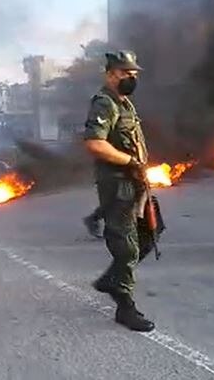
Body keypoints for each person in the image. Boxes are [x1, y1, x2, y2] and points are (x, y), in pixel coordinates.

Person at [83, 50, 155, 332]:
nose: (131, 77)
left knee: (149, 236)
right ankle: (124, 306)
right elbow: (95, 143)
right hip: (118, 184)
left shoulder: (125, 104)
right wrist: (130, 162)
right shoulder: (105, 103)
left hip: (135, 182)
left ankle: (110, 279)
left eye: (134, 73)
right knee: (127, 247)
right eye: (126, 73)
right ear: (110, 73)